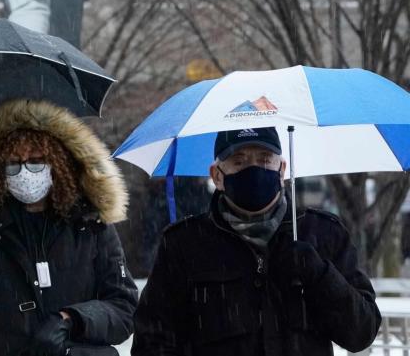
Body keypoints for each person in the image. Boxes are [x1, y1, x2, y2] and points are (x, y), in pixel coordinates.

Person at [132, 126, 381, 355]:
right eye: (239, 162)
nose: (253, 170)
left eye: (264, 160)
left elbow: (362, 332)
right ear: (217, 175)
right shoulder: (183, 244)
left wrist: (318, 274)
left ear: (282, 170)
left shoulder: (323, 233)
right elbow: (152, 342)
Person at [0, 99, 137, 355]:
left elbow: (124, 308)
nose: (25, 172)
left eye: (36, 161)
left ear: (58, 165)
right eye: (14, 163)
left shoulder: (90, 226)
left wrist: (72, 319)